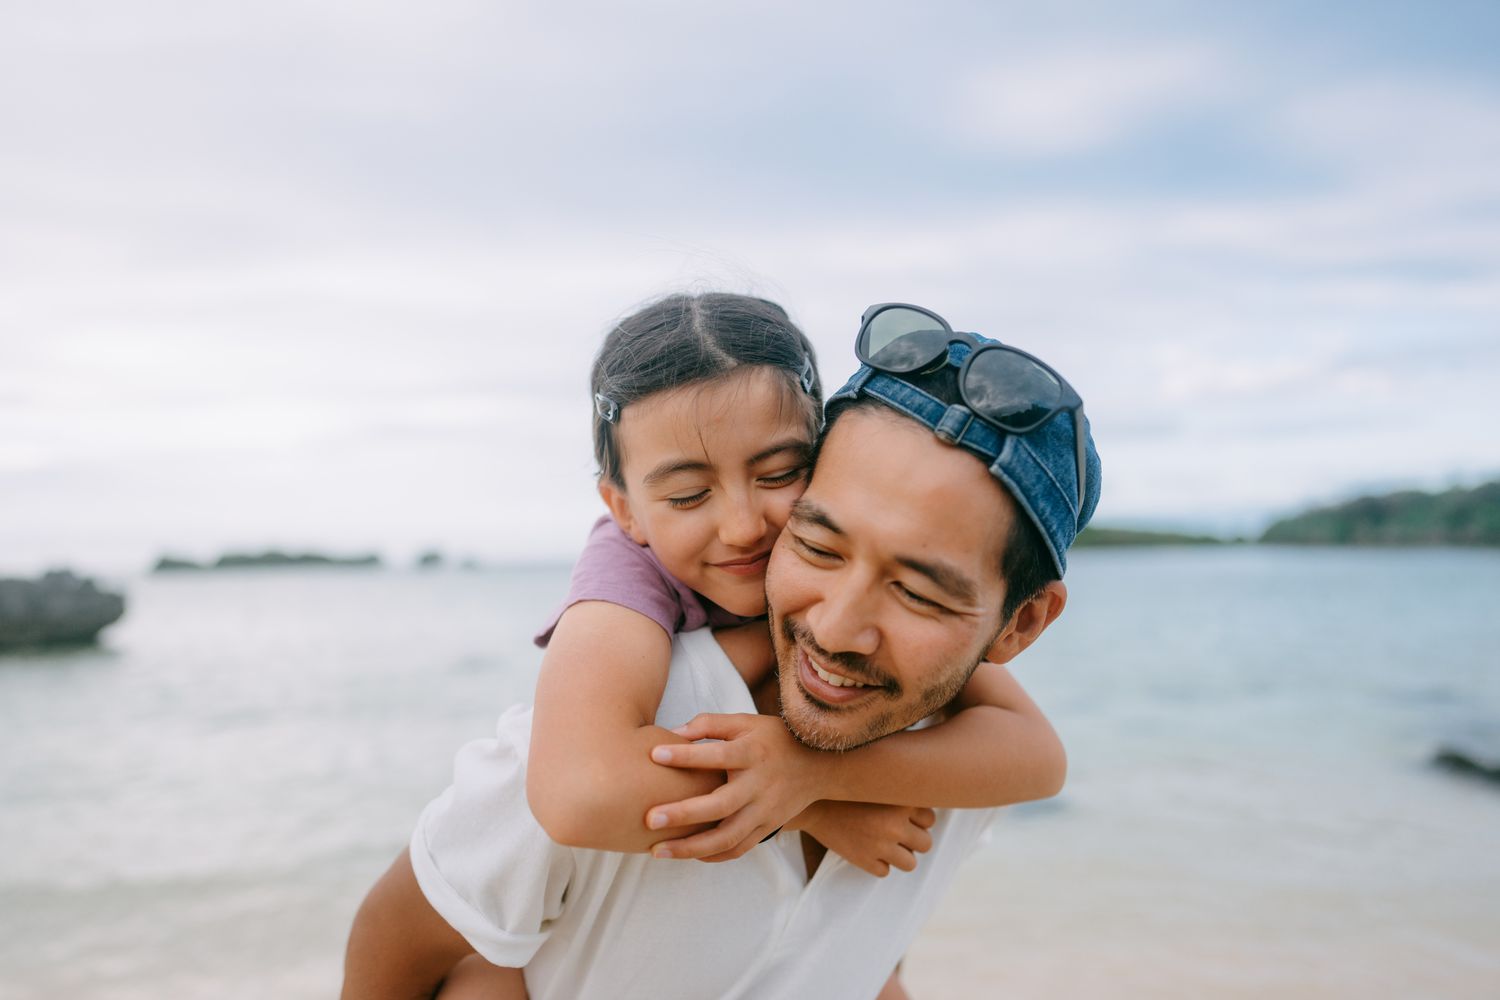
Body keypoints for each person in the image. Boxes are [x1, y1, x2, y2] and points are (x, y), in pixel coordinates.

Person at [341, 300, 1099, 999]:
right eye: (821, 545)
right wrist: (803, 799)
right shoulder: (627, 691)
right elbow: (417, 923)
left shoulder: (951, 764)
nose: (742, 526)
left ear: (1019, 627)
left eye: (920, 594)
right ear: (624, 508)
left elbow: (860, 955)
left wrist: (812, 777)